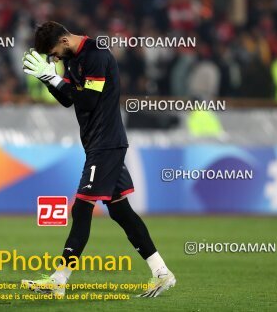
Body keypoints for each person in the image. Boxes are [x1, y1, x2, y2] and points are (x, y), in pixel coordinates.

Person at [21, 21, 176, 298]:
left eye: (55, 52)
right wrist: (49, 79)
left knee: (81, 208)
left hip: (106, 143)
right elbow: (69, 99)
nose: (54, 59)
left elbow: (89, 100)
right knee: (120, 211)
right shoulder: (73, 59)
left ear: (65, 41)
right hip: (98, 143)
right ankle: (162, 273)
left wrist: (53, 77)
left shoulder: (96, 56)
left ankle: (59, 279)